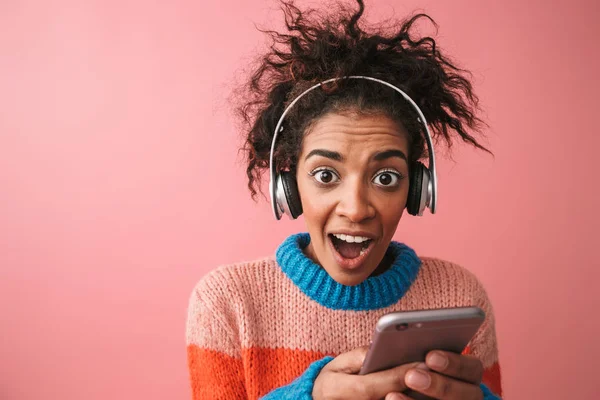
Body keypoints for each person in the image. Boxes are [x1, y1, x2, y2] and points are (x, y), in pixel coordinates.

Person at [186, 0, 503, 399]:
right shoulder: (227, 302)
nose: (355, 208)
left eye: (386, 177)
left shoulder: (460, 297)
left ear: (418, 188)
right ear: (289, 184)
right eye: (325, 175)